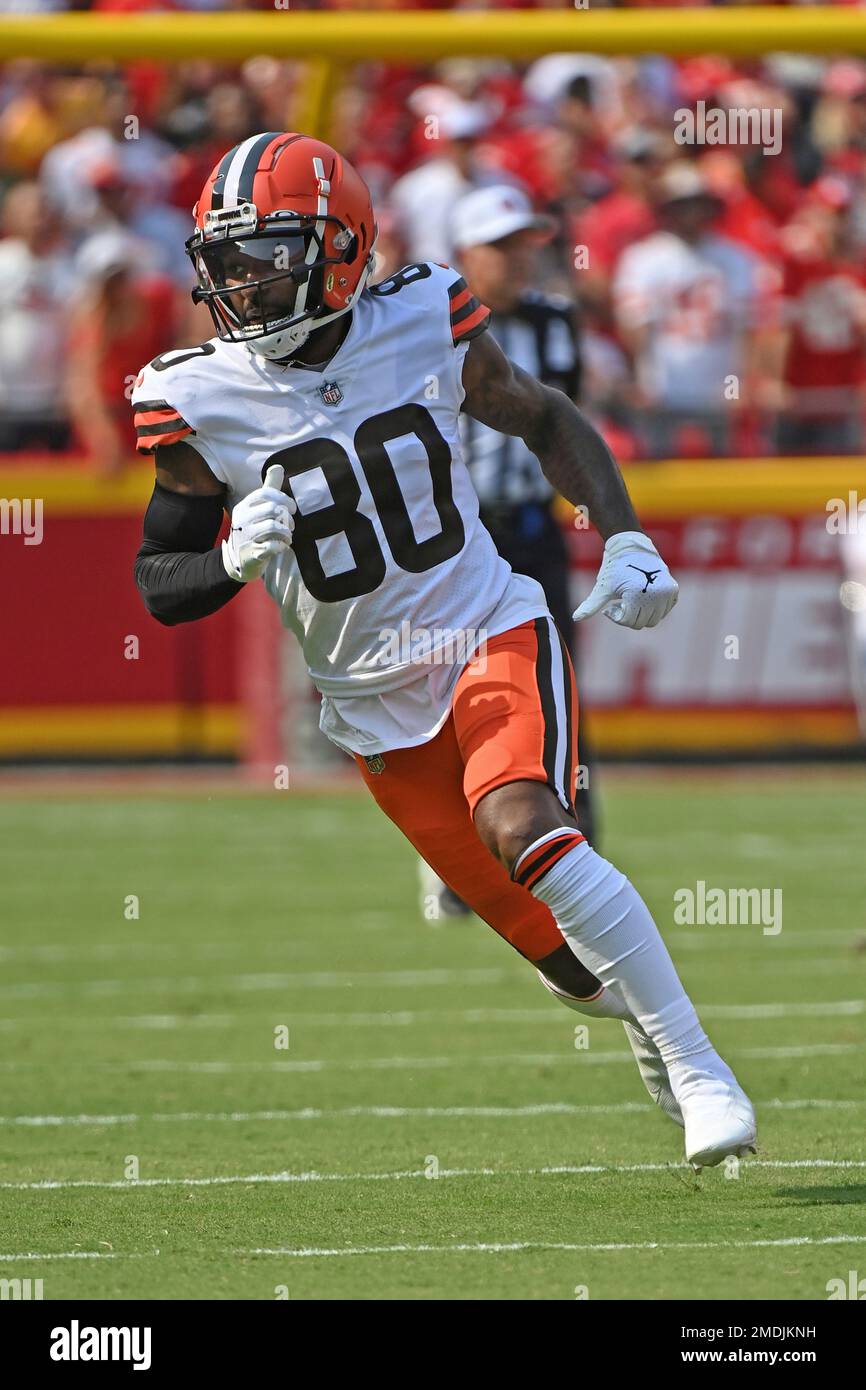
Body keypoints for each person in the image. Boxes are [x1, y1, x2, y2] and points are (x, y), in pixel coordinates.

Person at [132, 131, 756, 1170]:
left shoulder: (421, 315)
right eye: (227, 259)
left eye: (269, 252)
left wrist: (624, 532)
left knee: (525, 822)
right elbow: (160, 587)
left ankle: (699, 1064)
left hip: (482, 624)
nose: (243, 280)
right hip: (369, 701)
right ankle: (645, 1024)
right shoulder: (197, 396)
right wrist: (230, 561)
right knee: (570, 972)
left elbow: (542, 415)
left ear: (338, 250)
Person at [419, 183, 596, 921]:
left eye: (525, 243)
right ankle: (462, 865)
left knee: (557, 693)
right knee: (460, 701)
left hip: (532, 527)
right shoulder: (424, 326)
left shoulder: (556, 323)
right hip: (462, 536)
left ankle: (577, 851)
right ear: (463, 256)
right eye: (500, 246)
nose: (519, 259)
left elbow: (565, 423)